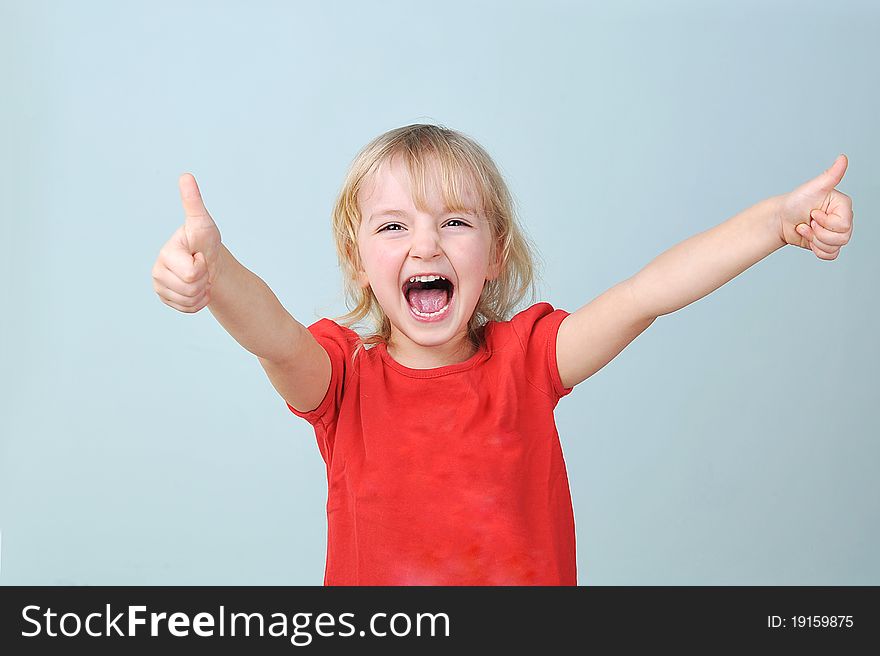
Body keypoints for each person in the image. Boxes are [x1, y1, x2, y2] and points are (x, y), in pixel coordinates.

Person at [151, 124, 854, 585]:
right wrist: (215, 276)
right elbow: (273, 335)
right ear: (357, 260)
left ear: (495, 256)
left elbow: (647, 294)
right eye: (394, 226)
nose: (426, 245)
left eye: (454, 222)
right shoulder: (343, 377)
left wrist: (772, 224)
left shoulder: (529, 359)